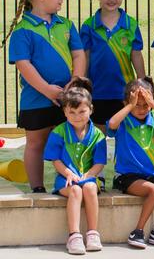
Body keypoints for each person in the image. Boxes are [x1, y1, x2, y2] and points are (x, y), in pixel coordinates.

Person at [5, 0, 85, 192]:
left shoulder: (66, 25)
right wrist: (47, 90)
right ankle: (37, 188)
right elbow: (24, 64)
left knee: (71, 141)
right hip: (35, 99)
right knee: (36, 144)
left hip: (68, 98)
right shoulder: (23, 30)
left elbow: (78, 54)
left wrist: (75, 82)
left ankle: (73, 183)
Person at [107, 77, 154, 248]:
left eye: (145, 105)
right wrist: (130, 106)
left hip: (152, 175)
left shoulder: (153, 117)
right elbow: (111, 124)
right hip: (128, 176)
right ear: (127, 102)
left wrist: (153, 105)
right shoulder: (123, 119)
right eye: (137, 105)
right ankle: (138, 231)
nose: (142, 109)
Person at [43, 77, 106, 254]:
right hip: (65, 179)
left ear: (91, 110)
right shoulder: (59, 132)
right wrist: (69, 173)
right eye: (72, 112)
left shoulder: (98, 135)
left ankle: (93, 233)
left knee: (90, 188)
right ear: (64, 112)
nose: (77, 117)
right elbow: (55, 160)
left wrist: (89, 175)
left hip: (88, 177)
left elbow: (99, 162)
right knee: (76, 191)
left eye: (81, 111)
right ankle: (74, 236)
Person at [81, 0, 145, 132]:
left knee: (125, 135)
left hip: (125, 93)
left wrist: (143, 81)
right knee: (97, 137)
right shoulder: (89, 26)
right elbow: (85, 57)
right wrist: (81, 83)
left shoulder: (131, 24)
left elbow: (136, 55)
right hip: (97, 92)